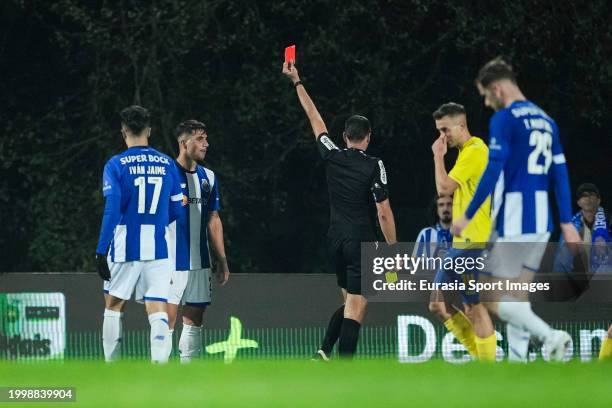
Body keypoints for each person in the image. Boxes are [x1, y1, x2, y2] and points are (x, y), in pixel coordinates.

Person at [452, 58, 582, 362]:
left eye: (486, 95)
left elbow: (494, 167)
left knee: (488, 295)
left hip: (514, 218)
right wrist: (566, 221)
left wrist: (468, 214)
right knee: (516, 296)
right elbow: (560, 173)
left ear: (497, 88)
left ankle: (550, 337)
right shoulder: (546, 120)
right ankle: (519, 362)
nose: (486, 102)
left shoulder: (505, 119)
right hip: (542, 221)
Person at [282, 62, 397, 360]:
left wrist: (297, 82)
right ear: (368, 137)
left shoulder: (333, 156)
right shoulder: (374, 164)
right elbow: (383, 211)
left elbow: (315, 119)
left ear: (345, 136)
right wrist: (392, 249)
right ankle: (345, 372)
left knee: (351, 303)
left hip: (336, 240)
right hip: (361, 241)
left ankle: (323, 351)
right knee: (357, 307)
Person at [95, 105, 183, 363]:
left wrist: (101, 249)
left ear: (123, 131)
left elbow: (112, 209)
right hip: (159, 246)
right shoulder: (167, 163)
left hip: (126, 245)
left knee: (113, 306)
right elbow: (177, 210)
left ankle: (112, 368)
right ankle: (159, 369)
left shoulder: (116, 164)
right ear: (149, 131)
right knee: (157, 309)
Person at [430, 102, 496, 361]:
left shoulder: (476, 151)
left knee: (474, 306)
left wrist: (437, 156)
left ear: (461, 125)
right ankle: (480, 358)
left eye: (445, 130)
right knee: (438, 303)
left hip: (473, 242)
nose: (442, 137)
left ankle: (489, 369)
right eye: (439, 131)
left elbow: (444, 188)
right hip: (461, 244)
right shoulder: (466, 153)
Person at [165, 119, 230, 362]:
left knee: (193, 321)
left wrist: (222, 259)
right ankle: (158, 379)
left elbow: (214, 218)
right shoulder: (167, 174)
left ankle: (188, 376)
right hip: (171, 262)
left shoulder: (209, 177)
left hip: (201, 263)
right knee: (166, 322)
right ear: (184, 143)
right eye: (200, 139)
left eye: (206, 138)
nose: (206, 144)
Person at [554, 182, 611, 274]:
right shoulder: (572, 226)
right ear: (579, 203)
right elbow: (562, 258)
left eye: (592, 195)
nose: (588, 199)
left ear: (598, 200)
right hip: (580, 275)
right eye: (583, 196)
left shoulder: (609, 221)